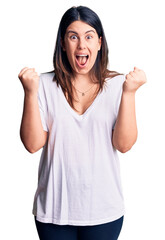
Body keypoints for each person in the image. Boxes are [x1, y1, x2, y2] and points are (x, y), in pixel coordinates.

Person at [18, 5, 147, 240]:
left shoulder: (119, 85)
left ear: (99, 42)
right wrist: (29, 93)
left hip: (104, 212)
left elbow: (124, 144)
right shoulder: (42, 85)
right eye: (73, 37)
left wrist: (129, 94)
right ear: (62, 43)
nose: (81, 45)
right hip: (53, 212)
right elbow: (33, 144)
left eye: (88, 36)